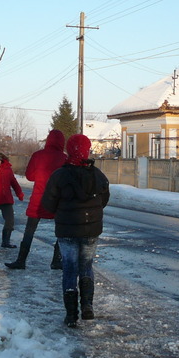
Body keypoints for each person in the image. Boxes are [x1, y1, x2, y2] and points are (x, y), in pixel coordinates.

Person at [41, 134, 110, 327]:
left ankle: (71, 314)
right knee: (86, 266)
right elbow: (103, 201)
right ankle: (87, 305)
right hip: (91, 230)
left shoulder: (59, 175)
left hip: (66, 230)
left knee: (69, 269)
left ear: (68, 150)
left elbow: (48, 204)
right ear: (87, 150)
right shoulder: (98, 175)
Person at [5, 129, 67, 270]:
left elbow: (30, 176)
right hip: (58, 201)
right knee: (61, 232)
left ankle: (21, 260)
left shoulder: (37, 155)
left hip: (38, 200)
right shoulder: (64, 159)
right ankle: (56, 260)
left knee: (29, 231)